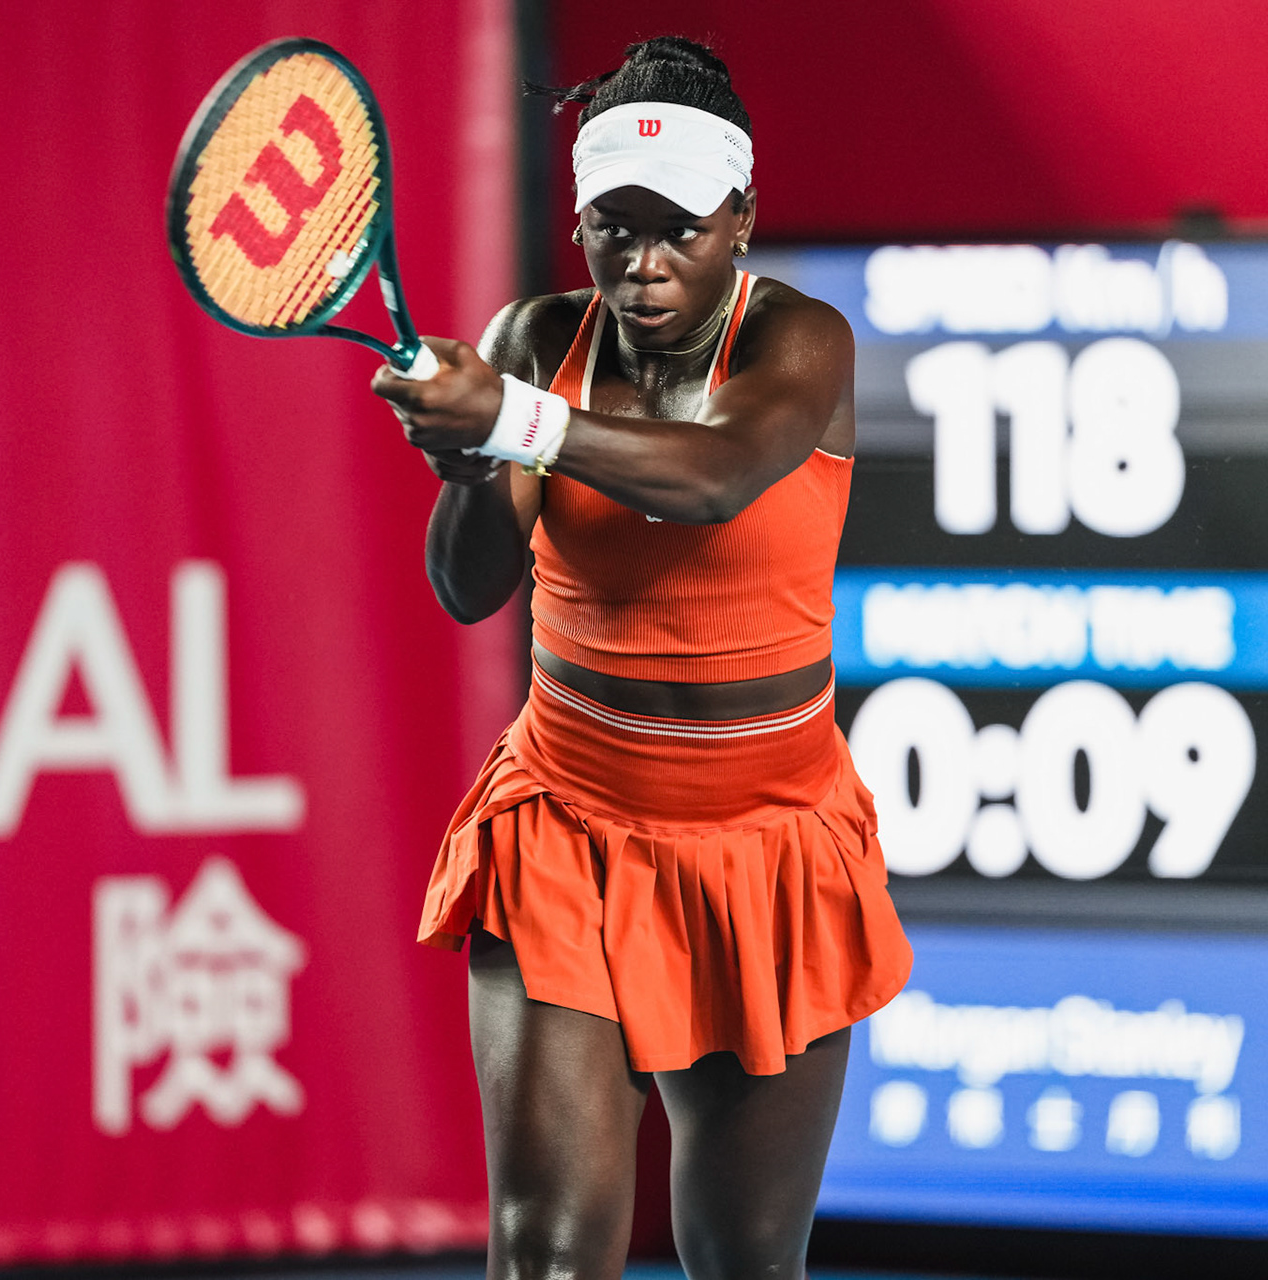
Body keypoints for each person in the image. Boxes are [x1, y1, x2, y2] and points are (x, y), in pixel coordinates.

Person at [371, 36, 911, 1280]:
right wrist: (467, 468)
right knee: (548, 1255)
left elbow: (717, 476)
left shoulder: (801, 344)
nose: (645, 262)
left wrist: (509, 419)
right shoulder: (535, 335)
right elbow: (469, 587)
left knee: (742, 1259)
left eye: (680, 228)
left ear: (743, 218)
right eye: (614, 227)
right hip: (568, 826)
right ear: (580, 224)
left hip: (771, 845)